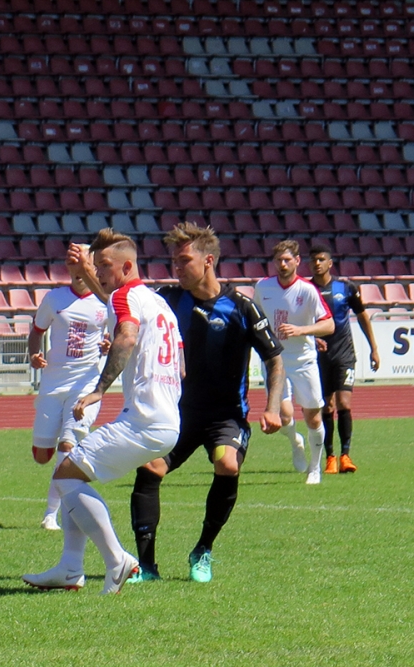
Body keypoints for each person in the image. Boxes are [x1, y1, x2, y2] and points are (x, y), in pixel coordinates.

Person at [22, 228, 183, 595]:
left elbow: (126, 336)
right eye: (96, 266)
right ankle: (70, 568)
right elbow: (181, 365)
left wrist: (99, 389)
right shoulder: (159, 304)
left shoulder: (126, 297)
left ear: (126, 266)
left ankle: (116, 560)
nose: (100, 272)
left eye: (105, 266)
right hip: (167, 420)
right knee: (73, 474)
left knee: (65, 476)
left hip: (143, 420)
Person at [128, 222, 284, 585]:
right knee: (150, 468)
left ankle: (203, 549)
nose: (177, 268)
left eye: (184, 260)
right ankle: (147, 566)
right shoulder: (167, 299)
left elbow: (274, 359)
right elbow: (124, 304)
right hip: (178, 413)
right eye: (174, 261)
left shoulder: (241, 307)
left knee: (227, 464)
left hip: (225, 416)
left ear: (208, 261)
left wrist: (273, 406)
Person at [28, 244, 108, 531]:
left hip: (85, 383)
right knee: (42, 455)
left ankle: (52, 514)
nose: (77, 269)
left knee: (67, 445)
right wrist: (34, 354)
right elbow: (37, 331)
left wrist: (108, 345)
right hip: (53, 382)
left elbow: (119, 335)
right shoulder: (54, 298)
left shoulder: (105, 302)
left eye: (82, 262)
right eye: (72, 262)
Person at [254, 240, 335, 485]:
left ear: (297, 261)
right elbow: (255, 319)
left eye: (287, 260)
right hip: (275, 361)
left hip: (303, 361)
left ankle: (315, 467)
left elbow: (329, 324)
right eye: (278, 260)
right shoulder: (263, 287)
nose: (283, 264)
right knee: (284, 415)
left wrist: (302, 330)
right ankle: (295, 442)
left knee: (313, 417)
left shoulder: (307, 290)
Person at [308, 243, 380, 475]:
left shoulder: (346, 288)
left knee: (344, 403)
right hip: (318, 357)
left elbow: (363, 316)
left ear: (330, 263)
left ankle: (345, 455)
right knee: (326, 405)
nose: (317, 263)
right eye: (314, 260)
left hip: (344, 354)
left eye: (321, 259)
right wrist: (312, 338)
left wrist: (374, 348)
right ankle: (330, 457)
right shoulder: (306, 290)